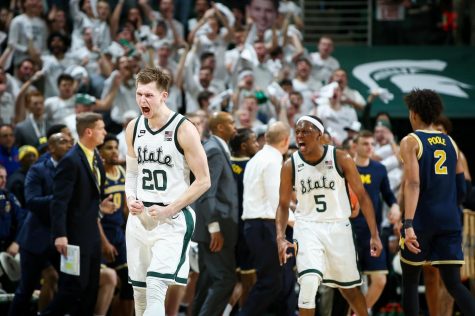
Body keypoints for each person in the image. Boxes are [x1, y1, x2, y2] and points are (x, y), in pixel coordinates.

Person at [275, 115, 382, 315]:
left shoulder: (341, 158)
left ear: (320, 135)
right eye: (297, 132)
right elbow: (282, 205)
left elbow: (363, 198)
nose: (300, 136)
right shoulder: (290, 165)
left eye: (305, 131)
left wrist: (374, 234)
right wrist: (280, 237)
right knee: (308, 283)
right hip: (307, 227)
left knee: (349, 289)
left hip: (338, 227)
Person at [125, 67, 211, 315]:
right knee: (139, 293)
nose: (143, 100)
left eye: (149, 95)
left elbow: (204, 180)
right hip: (140, 217)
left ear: (164, 95)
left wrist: (169, 210)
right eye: (139, 94)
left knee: (155, 285)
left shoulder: (184, 128)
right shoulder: (134, 127)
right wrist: (131, 198)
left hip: (172, 216)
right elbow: (131, 173)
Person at [399, 89, 475, 316]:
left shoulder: (410, 141)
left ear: (413, 114)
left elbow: (413, 184)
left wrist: (408, 223)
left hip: (421, 219)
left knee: (411, 281)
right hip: (450, 219)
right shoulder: (451, 143)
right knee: (454, 284)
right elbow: (463, 187)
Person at [41, 112, 116, 316]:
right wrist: (60, 234)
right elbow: (59, 202)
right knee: (72, 288)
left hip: (91, 235)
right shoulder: (71, 160)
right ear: (89, 131)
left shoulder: (96, 159)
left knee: (90, 290)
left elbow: (85, 201)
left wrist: (101, 209)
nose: (105, 132)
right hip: (73, 238)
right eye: (101, 128)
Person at [9, 132, 72, 315]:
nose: (69, 145)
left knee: (73, 285)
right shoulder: (38, 169)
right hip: (37, 239)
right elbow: (32, 201)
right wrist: (60, 199)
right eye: (63, 142)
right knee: (26, 290)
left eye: (71, 142)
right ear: (51, 148)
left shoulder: (76, 167)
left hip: (66, 238)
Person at [240, 122, 295, 315]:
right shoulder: (273, 161)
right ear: (286, 140)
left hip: (256, 226)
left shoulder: (257, 158)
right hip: (265, 226)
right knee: (271, 282)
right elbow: (277, 202)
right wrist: (297, 223)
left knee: (282, 282)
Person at [192, 111, 238, 316]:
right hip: (215, 227)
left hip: (214, 226)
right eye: (231, 123)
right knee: (225, 279)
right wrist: (214, 227)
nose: (235, 126)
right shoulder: (214, 150)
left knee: (208, 280)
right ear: (220, 127)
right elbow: (206, 193)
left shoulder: (216, 147)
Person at [352, 130, 400, 311]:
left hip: (373, 233)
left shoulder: (379, 169)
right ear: (355, 146)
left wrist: (395, 207)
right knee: (350, 284)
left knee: (380, 280)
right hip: (349, 230)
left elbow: (388, 194)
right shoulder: (346, 168)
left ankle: (358, 314)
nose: (370, 147)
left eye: (372, 144)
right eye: (365, 143)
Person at [98, 134, 134, 316]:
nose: (114, 151)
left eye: (115, 147)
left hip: (119, 234)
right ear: (100, 152)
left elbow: (127, 209)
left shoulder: (123, 173)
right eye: (109, 147)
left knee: (130, 282)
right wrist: (104, 243)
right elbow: (92, 215)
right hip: (101, 233)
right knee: (109, 284)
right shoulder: (97, 175)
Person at [229, 128, 260, 308]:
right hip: (247, 227)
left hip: (230, 228)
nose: (257, 144)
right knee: (249, 280)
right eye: (254, 141)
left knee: (233, 280)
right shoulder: (252, 166)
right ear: (243, 146)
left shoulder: (226, 162)